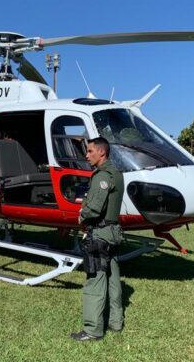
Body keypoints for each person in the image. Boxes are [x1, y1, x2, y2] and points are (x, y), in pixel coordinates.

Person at [70, 137, 125, 341]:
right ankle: (116, 323)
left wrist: (82, 216)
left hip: (100, 234)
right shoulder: (116, 174)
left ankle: (93, 330)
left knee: (95, 279)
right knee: (113, 278)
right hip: (112, 232)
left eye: (90, 151)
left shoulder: (103, 176)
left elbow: (94, 207)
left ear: (102, 152)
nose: (86, 155)